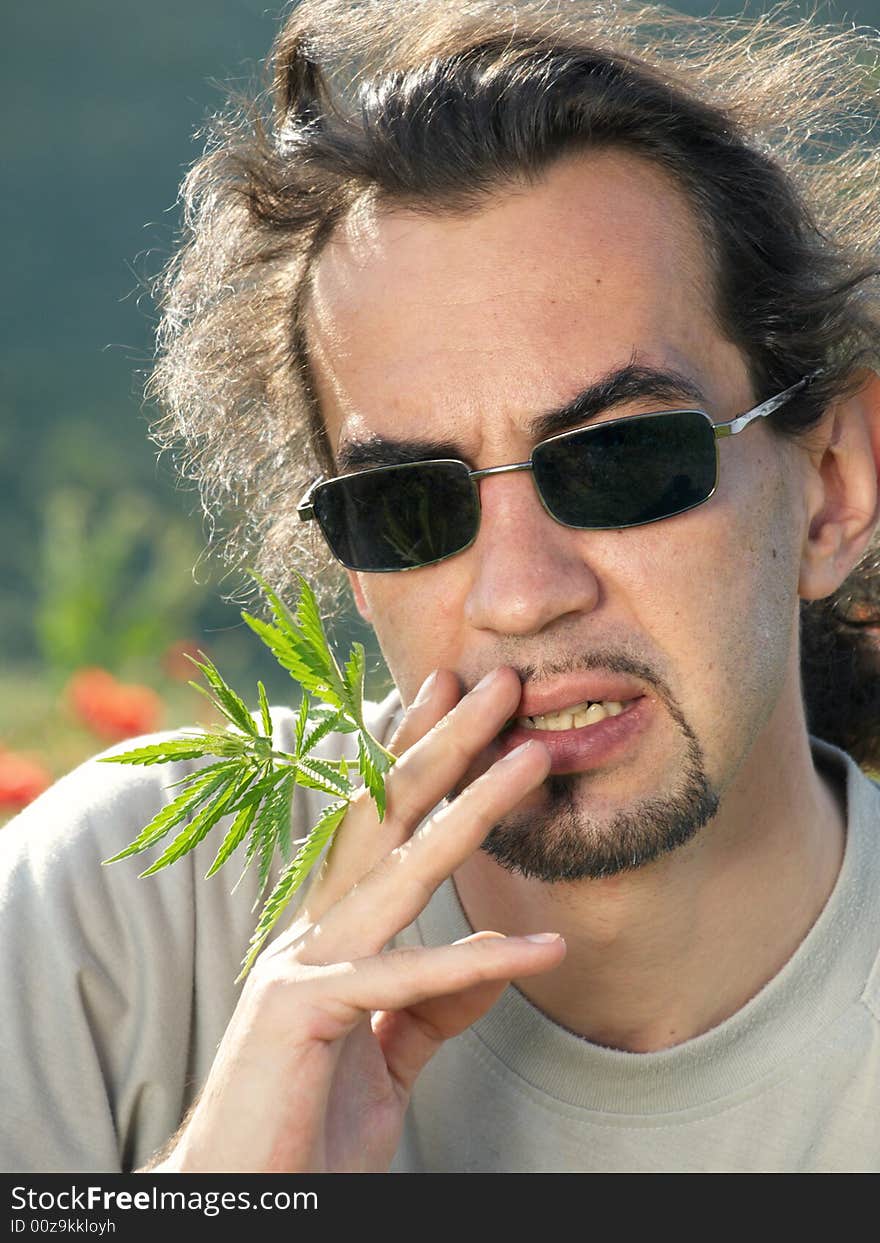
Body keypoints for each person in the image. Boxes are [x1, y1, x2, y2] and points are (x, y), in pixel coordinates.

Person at [2, 0, 880, 1174]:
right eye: (412, 505)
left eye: (620, 460)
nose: (520, 594)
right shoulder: (115, 911)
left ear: (832, 486)